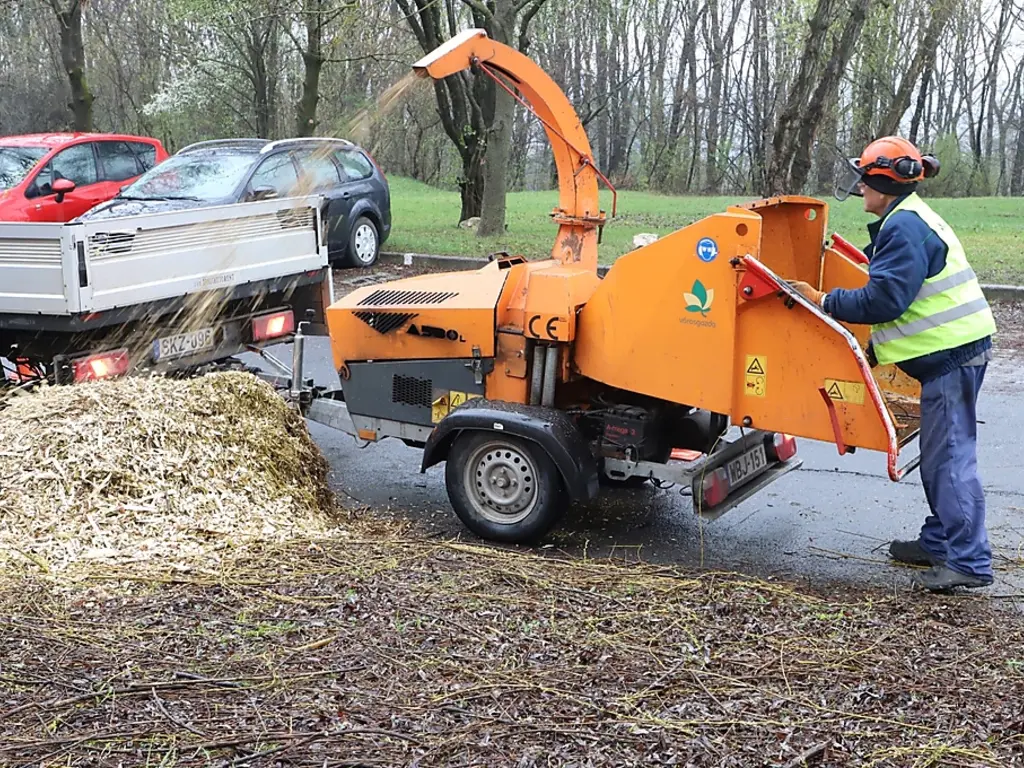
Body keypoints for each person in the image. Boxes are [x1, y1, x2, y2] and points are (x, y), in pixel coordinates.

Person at [791, 136, 997, 591]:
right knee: (940, 457)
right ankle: (939, 542)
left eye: (863, 179)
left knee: (948, 460)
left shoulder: (903, 227)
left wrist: (824, 301)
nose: (859, 188)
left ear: (882, 181)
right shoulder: (907, 218)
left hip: (952, 356)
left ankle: (969, 561)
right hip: (955, 351)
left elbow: (885, 300)